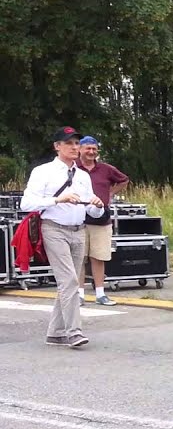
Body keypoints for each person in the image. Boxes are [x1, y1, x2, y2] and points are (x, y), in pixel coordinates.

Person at [20, 126, 105, 348]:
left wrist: (97, 206)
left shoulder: (83, 176)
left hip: (79, 230)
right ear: (57, 147)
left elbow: (91, 209)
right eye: (69, 143)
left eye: (77, 143)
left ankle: (55, 333)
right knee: (68, 281)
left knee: (68, 282)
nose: (74, 147)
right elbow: (26, 203)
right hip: (53, 228)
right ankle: (73, 331)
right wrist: (57, 200)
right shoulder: (43, 172)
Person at [76, 135, 130, 306]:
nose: (91, 152)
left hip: (101, 219)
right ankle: (79, 294)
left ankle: (100, 293)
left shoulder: (106, 169)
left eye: (94, 149)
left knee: (98, 257)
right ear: (80, 150)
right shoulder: (73, 168)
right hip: (78, 218)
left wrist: (111, 193)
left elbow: (124, 179)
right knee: (79, 258)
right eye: (88, 148)